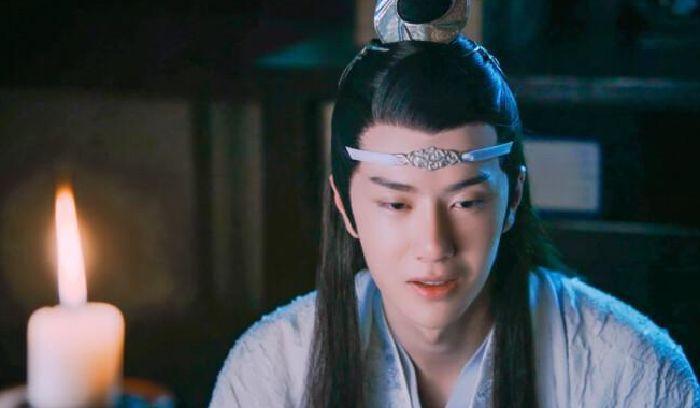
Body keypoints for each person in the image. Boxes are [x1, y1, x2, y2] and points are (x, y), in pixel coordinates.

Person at [210, 0, 700, 406]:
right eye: (396, 205)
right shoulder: (271, 371)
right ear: (344, 205)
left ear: (513, 198)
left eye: (465, 203)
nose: (433, 246)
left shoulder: (630, 374)